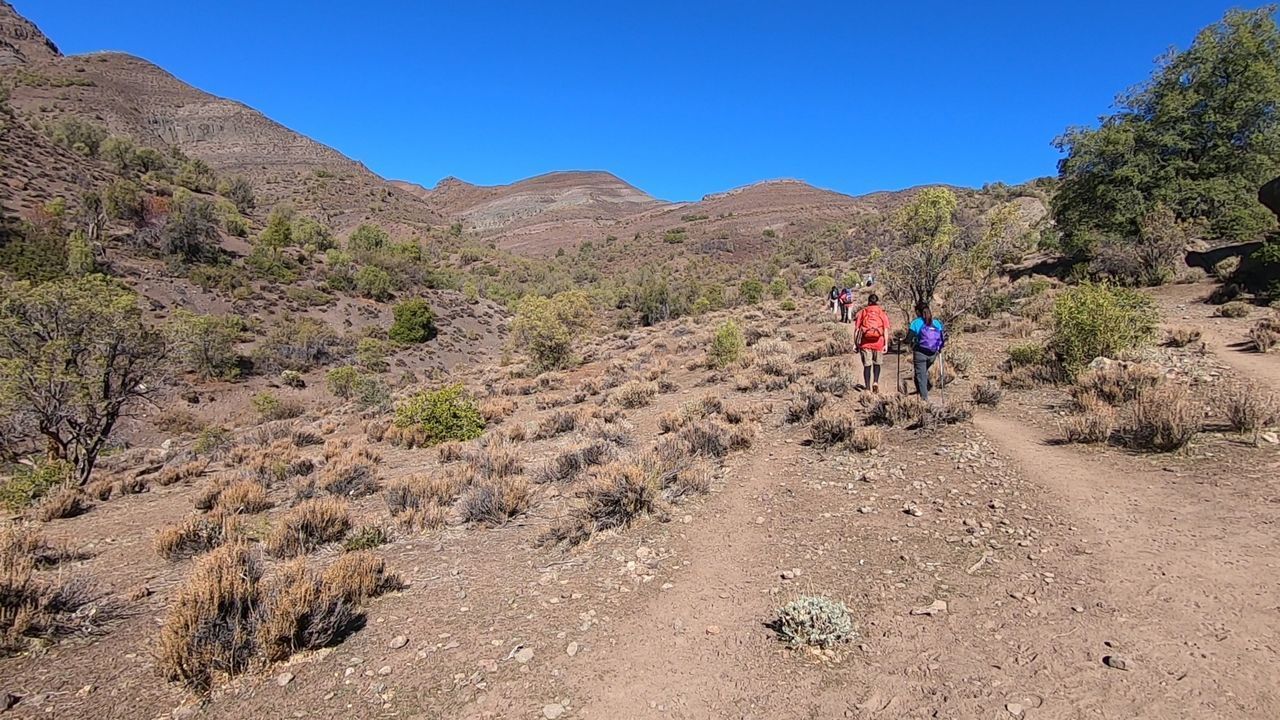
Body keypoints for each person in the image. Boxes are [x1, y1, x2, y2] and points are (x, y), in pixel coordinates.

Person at [907, 302, 946, 401]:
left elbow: (908, 339)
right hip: (933, 353)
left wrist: (902, 341)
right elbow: (942, 338)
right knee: (920, 374)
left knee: (921, 375)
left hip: (920, 353)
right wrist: (940, 348)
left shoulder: (916, 323)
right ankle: (923, 389)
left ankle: (924, 399)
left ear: (917, 312)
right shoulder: (937, 323)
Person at [853, 293, 890, 392]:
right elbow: (885, 329)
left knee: (867, 365)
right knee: (877, 364)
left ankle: (868, 387)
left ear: (868, 302)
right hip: (879, 342)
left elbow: (856, 330)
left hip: (865, 343)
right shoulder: (881, 312)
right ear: (877, 302)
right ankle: (876, 382)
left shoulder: (863, 312)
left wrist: (855, 344)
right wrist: (886, 344)